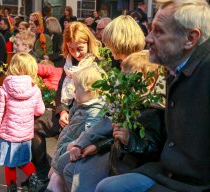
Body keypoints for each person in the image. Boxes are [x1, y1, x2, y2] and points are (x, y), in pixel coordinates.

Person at [96, 0, 210, 191]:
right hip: (164, 171)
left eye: (158, 31)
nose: (147, 39)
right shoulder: (176, 68)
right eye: (150, 29)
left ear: (190, 38)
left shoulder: (203, 72)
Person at [57, 15, 149, 192]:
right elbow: (111, 115)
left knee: (74, 173)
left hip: (122, 145)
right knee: (64, 164)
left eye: (109, 44)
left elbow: (119, 120)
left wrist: (95, 145)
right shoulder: (121, 64)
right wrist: (84, 141)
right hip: (107, 135)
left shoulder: (140, 68)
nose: (106, 47)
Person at [30, 21, 101, 188]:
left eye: (80, 48)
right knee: (32, 126)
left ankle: (55, 176)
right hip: (68, 112)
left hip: (85, 115)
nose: (76, 53)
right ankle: (42, 172)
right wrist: (61, 111)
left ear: (88, 43)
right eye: (71, 48)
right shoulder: (68, 63)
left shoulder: (98, 62)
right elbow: (59, 90)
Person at [0, 52, 46, 192]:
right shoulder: (34, 89)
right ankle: (34, 181)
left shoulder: (5, 88)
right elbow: (40, 110)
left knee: (10, 163)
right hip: (25, 134)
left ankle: (12, 187)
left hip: (8, 134)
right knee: (25, 160)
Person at [47, 64, 106, 192]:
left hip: (69, 152)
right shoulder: (82, 104)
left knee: (55, 182)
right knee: (53, 179)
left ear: (89, 90)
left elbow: (87, 138)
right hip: (63, 149)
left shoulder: (93, 113)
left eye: (76, 90)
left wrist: (60, 159)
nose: (74, 93)